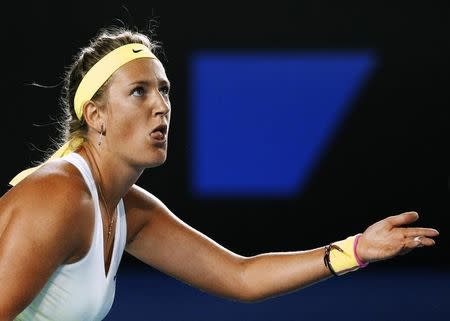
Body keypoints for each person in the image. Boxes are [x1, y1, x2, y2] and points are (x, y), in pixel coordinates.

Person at [0, 26, 439, 321]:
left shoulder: (126, 208)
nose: (162, 106)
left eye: (164, 89)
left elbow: (240, 277)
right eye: (139, 91)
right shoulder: (58, 197)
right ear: (96, 115)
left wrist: (356, 249)